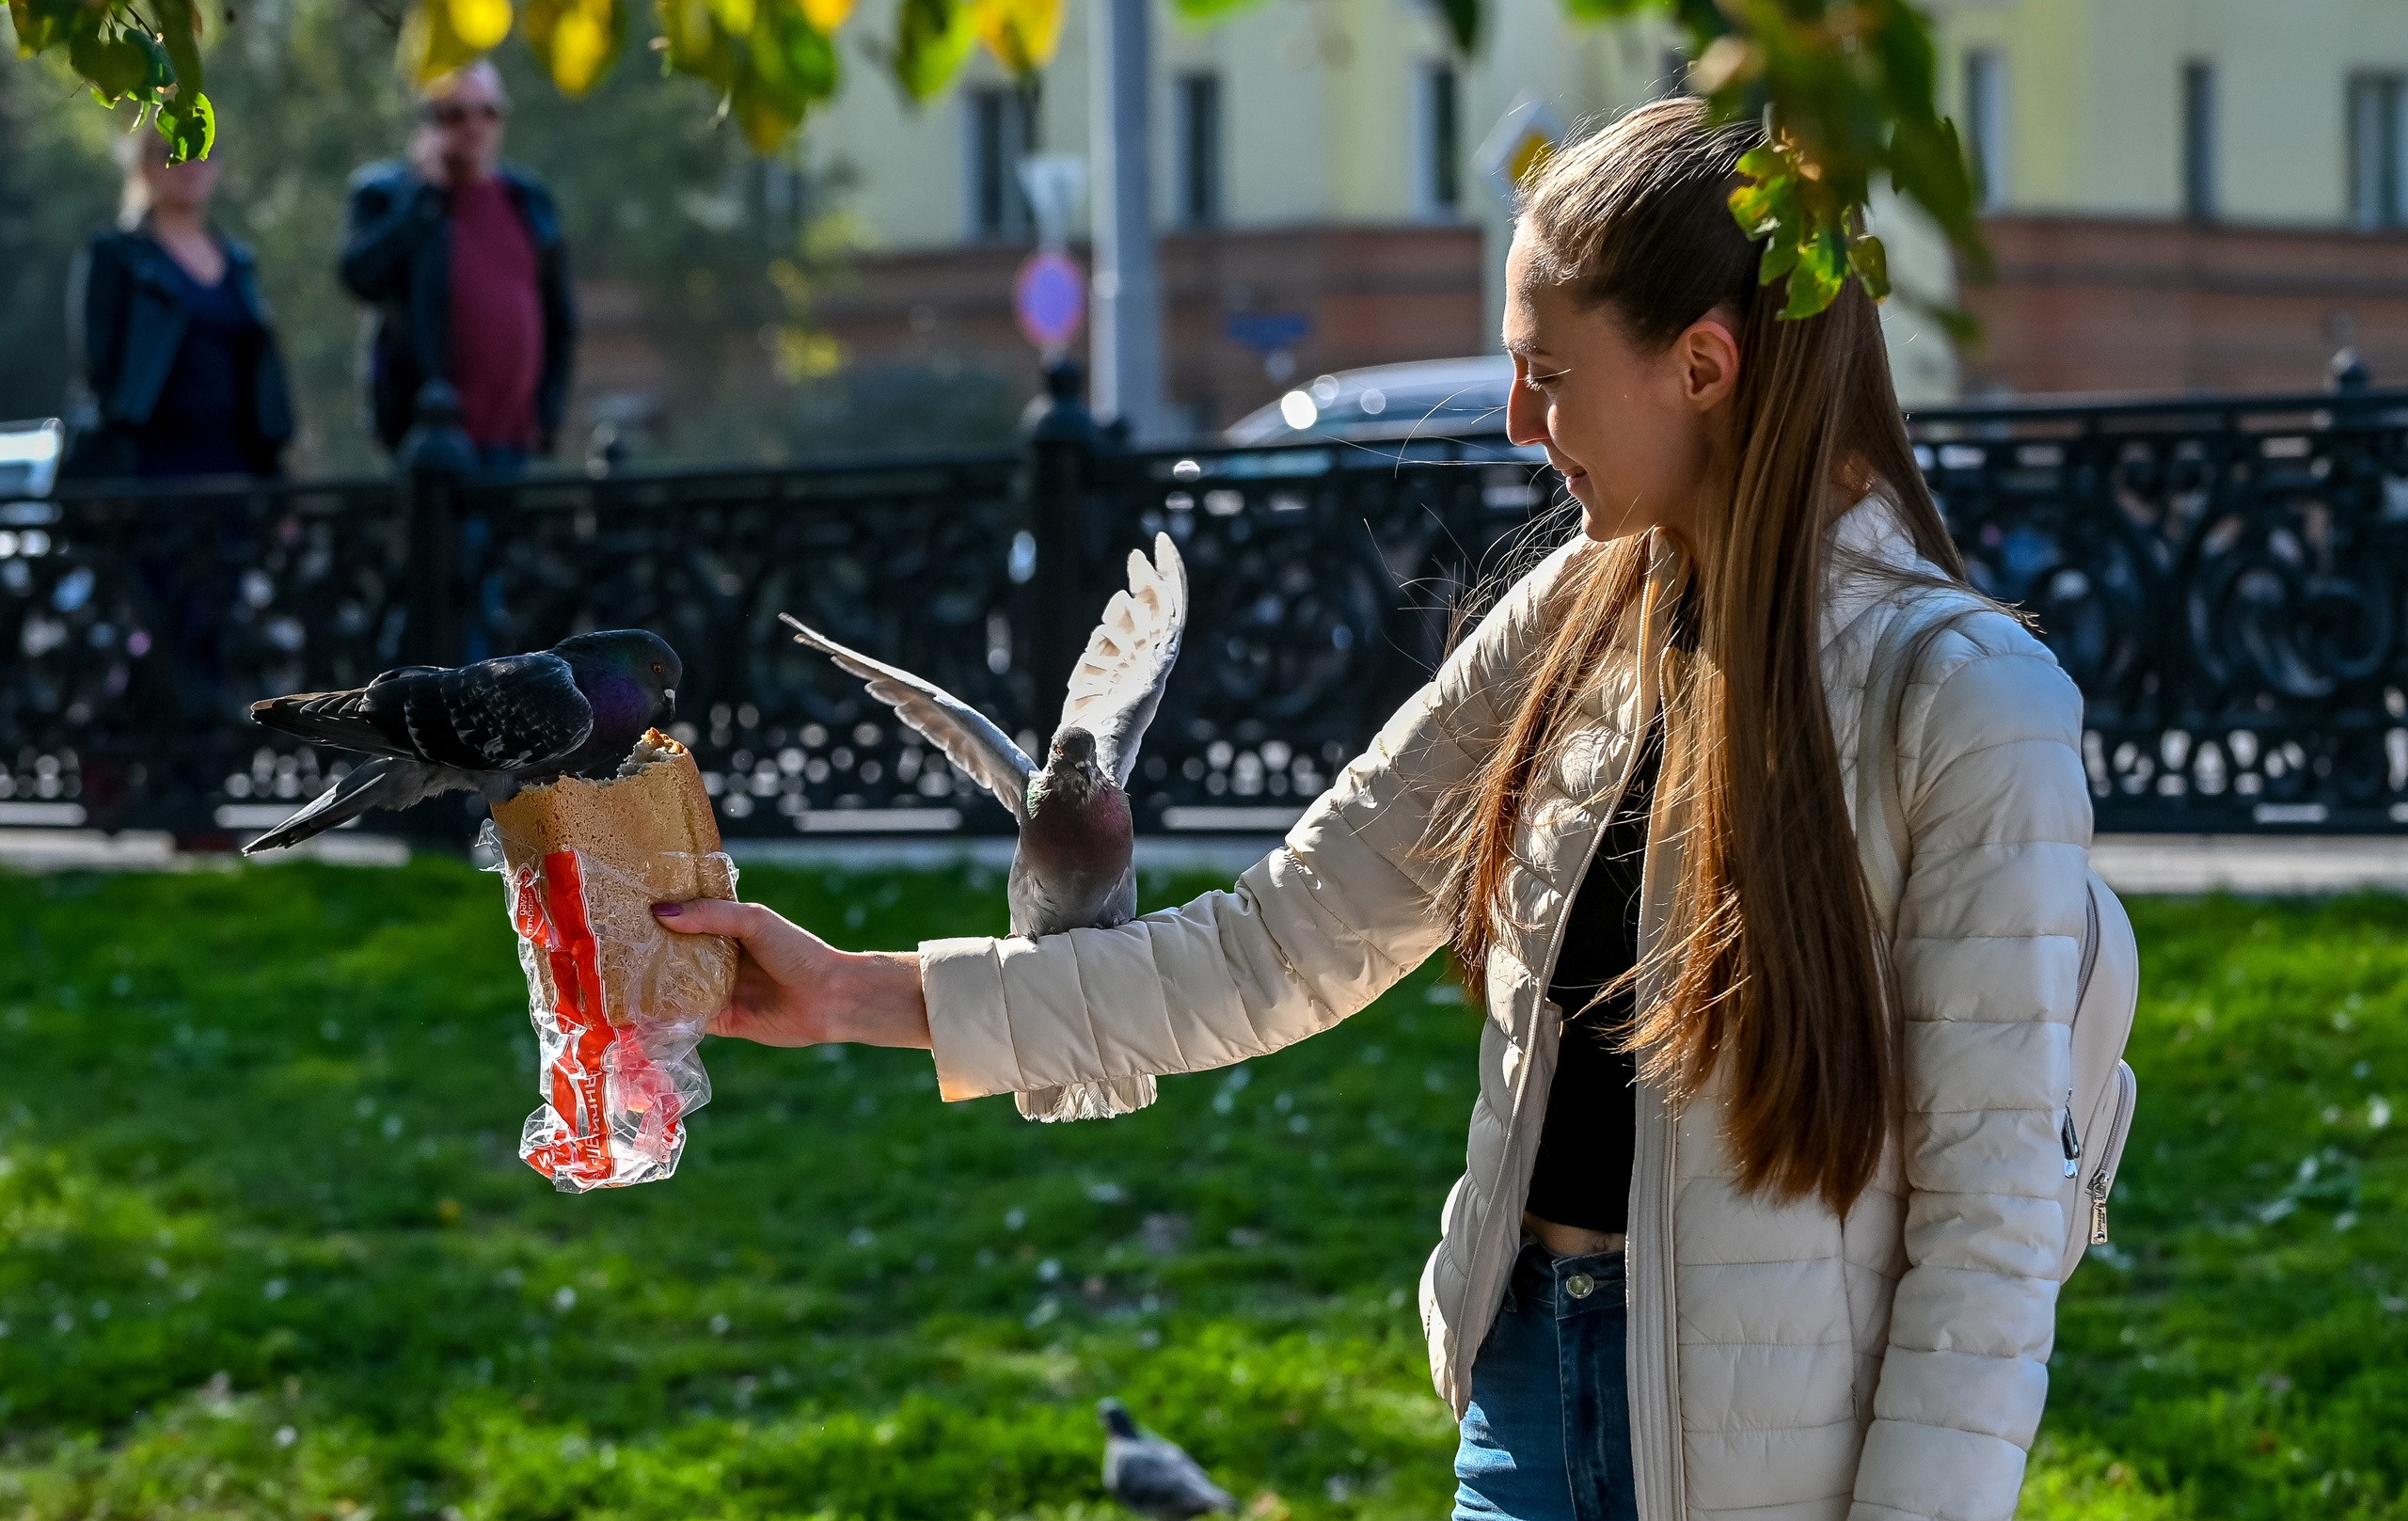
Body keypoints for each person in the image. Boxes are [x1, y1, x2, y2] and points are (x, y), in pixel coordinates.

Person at [655, 98, 2091, 1521]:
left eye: (1549, 372)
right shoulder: (1568, 623)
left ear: (1703, 366)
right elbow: (1286, 939)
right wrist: (861, 995)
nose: (1523, 421)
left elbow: (1992, 1230)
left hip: (1786, 1464)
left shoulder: (1967, 705)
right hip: (1527, 1406)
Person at [339, 60, 575, 474]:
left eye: (488, 112)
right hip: (427, 445)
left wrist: (548, 413)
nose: (474, 125)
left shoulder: (528, 198)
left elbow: (560, 317)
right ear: (427, 121)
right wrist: (425, 194)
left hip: (513, 443)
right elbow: (361, 278)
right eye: (455, 113)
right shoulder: (387, 194)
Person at [66, 133, 294, 480]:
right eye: (172, 152)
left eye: (202, 150)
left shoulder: (239, 261)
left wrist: (274, 470)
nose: (190, 164)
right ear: (144, 166)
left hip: (236, 470)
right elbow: (100, 371)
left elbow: (262, 375)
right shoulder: (117, 257)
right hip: (149, 474)